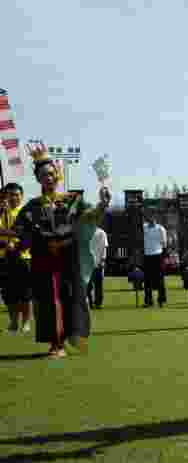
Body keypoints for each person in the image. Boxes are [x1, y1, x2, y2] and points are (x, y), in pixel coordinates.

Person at [14, 144, 110, 358]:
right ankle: (55, 344)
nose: (48, 178)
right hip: (44, 260)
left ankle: (74, 336)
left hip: (68, 258)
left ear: (57, 175)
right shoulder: (32, 206)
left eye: (50, 174)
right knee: (49, 300)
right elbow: (22, 232)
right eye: (43, 175)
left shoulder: (71, 200)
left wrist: (103, 204)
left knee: (72, 297)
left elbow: (91, 217)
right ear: (38, 179)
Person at [1, 183, 33, 333]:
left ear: (21, 196)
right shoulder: (1, 212)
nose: (13, 197)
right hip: (4, 257)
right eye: (10, 194)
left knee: (25, 292)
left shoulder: (27, 213)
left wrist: (18, 245)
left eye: (16, 194)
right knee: (9, 293)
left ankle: (26, 321)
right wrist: (4, 245)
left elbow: (29, 235)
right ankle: (14, 320)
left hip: (23, 257)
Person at [142, 210, 168, 308]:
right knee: (147, 280)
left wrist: (164, 257)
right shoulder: (143, 228)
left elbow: (164, 244)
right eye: (149, 216)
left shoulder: (160, 228)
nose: (151, 218)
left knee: (160, 279)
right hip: (147, 256)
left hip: (158, 255)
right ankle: (148, 301)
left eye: (152, 216)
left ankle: (161, 300)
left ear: (155, 218)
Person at [87, 223, 108, 309]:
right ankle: (90, 302)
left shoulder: (101, 233)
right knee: (88, 285)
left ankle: (98, 303)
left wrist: (103, 260)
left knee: (98, 284)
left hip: (98, 263)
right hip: (88, 263)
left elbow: (104, 247)